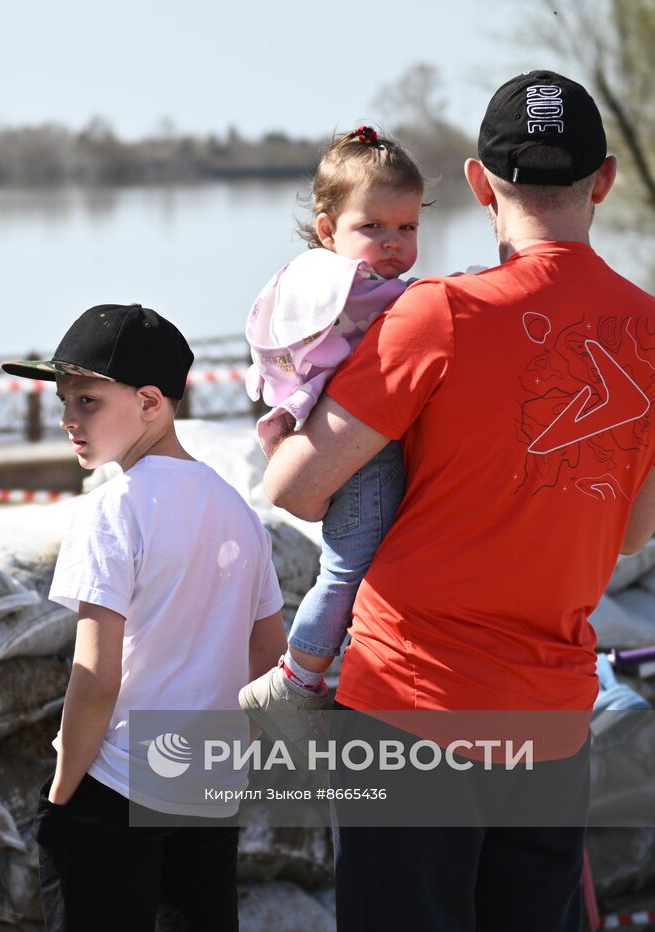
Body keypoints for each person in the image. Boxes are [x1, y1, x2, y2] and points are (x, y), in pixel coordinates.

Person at [262, 71, 655, 931]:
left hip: (411, 707)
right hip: (550, 720)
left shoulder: (439, 313)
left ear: (476, 182)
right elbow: (637, 529)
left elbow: (296, 490)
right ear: (603, 179)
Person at [2, 304, 286, 931]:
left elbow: (97, 675)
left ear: (151, 401)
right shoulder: (238, 511)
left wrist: (62, 790)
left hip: (116, 785)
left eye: (88, 401)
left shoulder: (112, 511)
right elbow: (269, 660)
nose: (68, 419)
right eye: (64, 401)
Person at [238, 124, 423, 744]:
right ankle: (296, 679)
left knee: (353, 565)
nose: (393, 244)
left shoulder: (307, 279)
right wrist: (466, 288)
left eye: (408, 228)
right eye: (374, 228)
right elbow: (414, 307)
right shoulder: (351, 287)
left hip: (346, 441)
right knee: (346, 569)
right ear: (328, 230)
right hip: (359, 453)